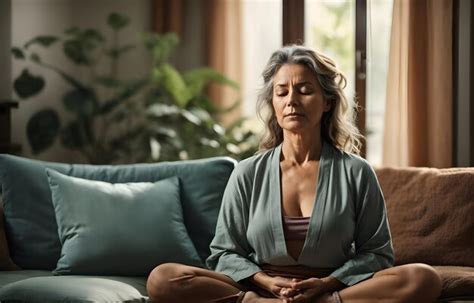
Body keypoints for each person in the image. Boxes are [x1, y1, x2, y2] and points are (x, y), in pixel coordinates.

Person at [146, 45, 442, 303]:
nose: (292, 100)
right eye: (282, 92)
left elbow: (377, 253)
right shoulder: (248, 172)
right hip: (262, 287)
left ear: (327, 102)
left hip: (332, 287)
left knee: (423, 278)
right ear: (273, 104)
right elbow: (224, 253)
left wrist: (327, 285)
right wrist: (265, 282)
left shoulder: (356, 171)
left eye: (305, 90)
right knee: (163, 278)